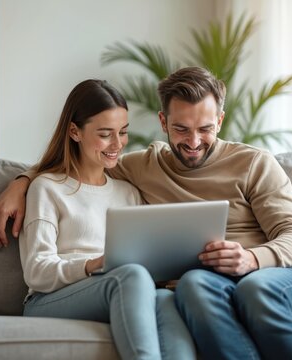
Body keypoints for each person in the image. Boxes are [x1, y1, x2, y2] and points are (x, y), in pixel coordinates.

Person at [0, 67, 292, 360]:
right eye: (181, 129)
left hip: (275, 276)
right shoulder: (141, 168)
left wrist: (252, 260)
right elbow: (76, 170)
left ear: (220, 121)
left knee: (253, 290)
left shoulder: (254, 163)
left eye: (205, 128)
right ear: (163, 122)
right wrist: (22, 182)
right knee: (190, 285)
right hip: (207, 284)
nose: (194, 141)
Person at [14, 79, 195, 360]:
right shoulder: (47, 187)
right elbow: (37, 270)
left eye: (122, 132)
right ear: (75, 131)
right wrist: (92, 265)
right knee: (129, 276)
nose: (117, 144)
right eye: (105, 134)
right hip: (50, 299)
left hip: (116, 286)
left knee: (165, 299)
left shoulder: (128, 192)